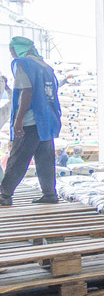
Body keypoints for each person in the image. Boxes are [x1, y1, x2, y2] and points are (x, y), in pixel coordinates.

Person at [0, 36, 62, 206]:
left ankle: (4, 195)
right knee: (45, 158)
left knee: (18, 157)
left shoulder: (22, 64)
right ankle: (50, 194)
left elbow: (26, 92)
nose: (12, 54)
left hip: (30, 121)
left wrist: (18, 120)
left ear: (19, 49)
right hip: (47, 120)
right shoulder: (45, 66)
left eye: (12, 50)